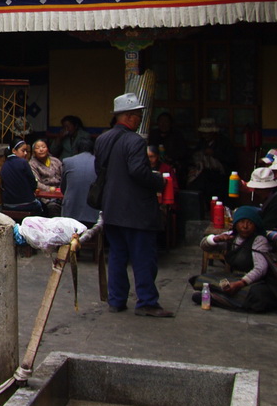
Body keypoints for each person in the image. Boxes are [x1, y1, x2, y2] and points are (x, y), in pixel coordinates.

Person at [97, 93, 173, 317]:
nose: (140, 119)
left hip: (111, 208)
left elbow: (100, 171)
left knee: (118, 256)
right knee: (143, 257)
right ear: (129, 117)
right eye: (138, 116)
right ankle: (147, 301)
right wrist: (159, 180)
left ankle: (117, 300)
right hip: (136, 211)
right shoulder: (136, 141)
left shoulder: (102, 139)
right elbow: (138, 172)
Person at [190, 206, 277, 313]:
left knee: (257, 296)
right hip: (235, 278)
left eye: (249, 223)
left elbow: (260, 269)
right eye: (241, 222)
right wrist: (215, 239)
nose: (245, 226)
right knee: (200, 280)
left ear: (255, 225)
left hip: (256, 283)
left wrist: (239, 284)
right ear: (235, 224)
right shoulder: (231, 237)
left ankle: (218, 298)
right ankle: (221, 296)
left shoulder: (259, 240)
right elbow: (204, 246)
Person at [191, 116, 237, 200]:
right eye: (203, 133)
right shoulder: (202, 143)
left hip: (220, 175)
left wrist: (214, 154)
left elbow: (231, 160)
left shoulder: (224, 142)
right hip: (203, 174)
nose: (205, 135)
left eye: (207, 133)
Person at [61, 134, 99, 225]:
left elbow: (63, 188)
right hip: (93, 209)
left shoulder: (67, 161)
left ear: (76, 149)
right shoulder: (99, 162)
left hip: (71, 209)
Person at [0, 138, 45, 215]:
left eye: (26, 151)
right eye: (23, 150)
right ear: (14, 151)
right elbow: (33, 182)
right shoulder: (23, 162)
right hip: (26, 204)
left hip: (7, 205)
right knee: (44, 207)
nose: (25, 153)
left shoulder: (4, 165)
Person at [148, 112, 190, 182]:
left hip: (173, 164)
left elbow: (183, 152)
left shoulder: (177, 135)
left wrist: (171, 157)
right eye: (161, 121)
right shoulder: (153, 134)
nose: (163, 124)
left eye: (166, 121)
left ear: (170, 123)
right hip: (155, 164)